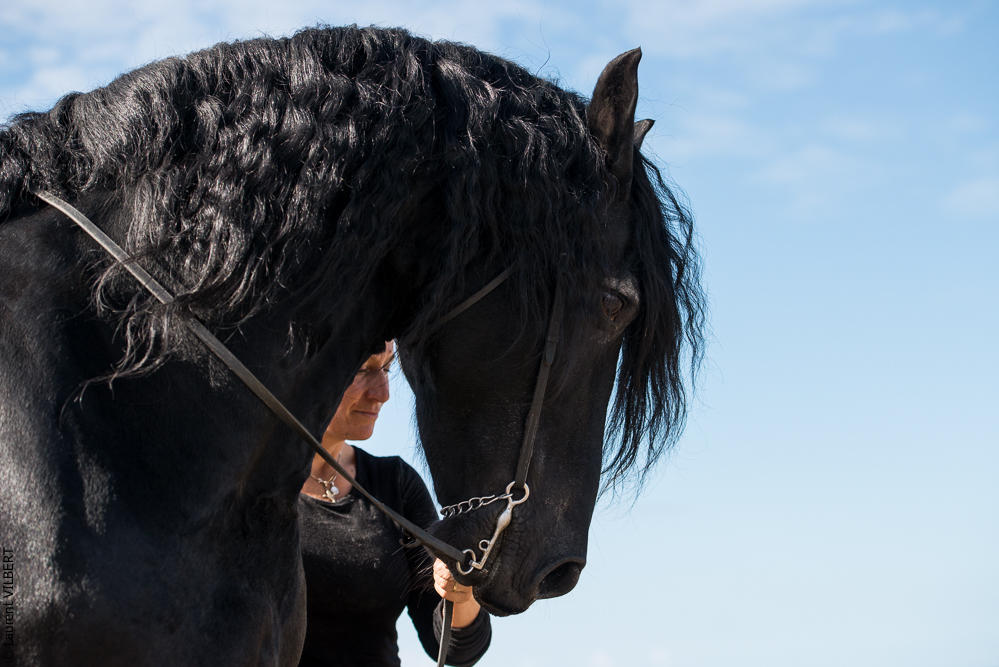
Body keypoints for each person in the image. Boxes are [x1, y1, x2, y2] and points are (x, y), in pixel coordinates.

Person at [298, 341, 491, 667]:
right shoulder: (243, 483)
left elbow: (455, 649)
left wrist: (460, 591)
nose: (383, 393)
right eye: (363, 370)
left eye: (387, 368)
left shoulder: (396, 484)